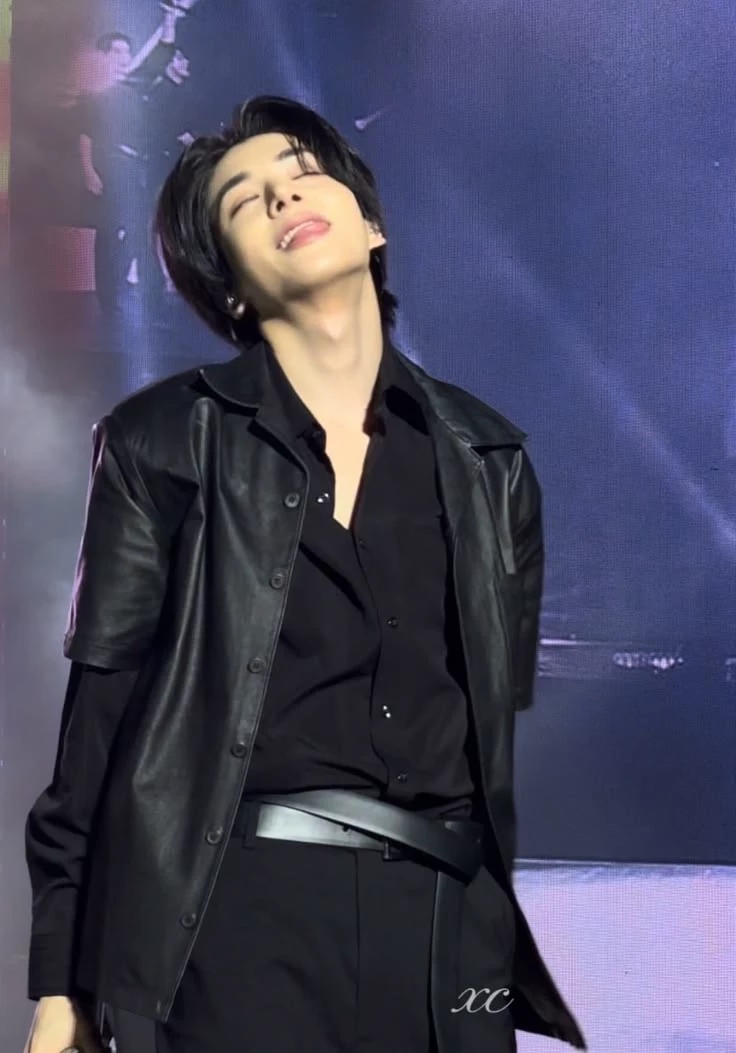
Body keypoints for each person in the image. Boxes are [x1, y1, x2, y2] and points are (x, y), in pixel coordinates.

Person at [23, 96, 587, 1053]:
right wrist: (61, 982)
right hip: (239, 916)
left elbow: (496, 702)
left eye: (302, 172)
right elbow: (97, 731)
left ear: (372, 226)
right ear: (229, 288)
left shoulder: (491, 460)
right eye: (245, 200)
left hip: (448, 929)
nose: (284, 196)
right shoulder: (162, 442)